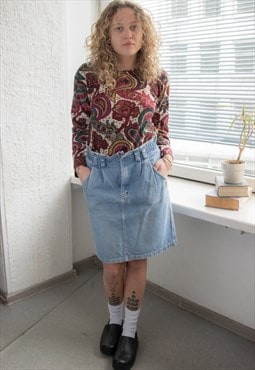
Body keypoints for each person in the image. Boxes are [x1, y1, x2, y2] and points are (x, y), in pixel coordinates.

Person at [71, 1, 177, 369]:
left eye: (134, 27)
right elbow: (79, 125)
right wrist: (82, 169)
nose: (127, 33)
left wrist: (165, 162)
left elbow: (163, 128)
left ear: (144, 32)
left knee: (137, 260)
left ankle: (130, 331)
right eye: (118, 27)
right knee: (112, 264)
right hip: (101, 175)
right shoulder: (87, 75)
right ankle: (113, 322)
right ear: (106, 34)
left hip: (145, 174)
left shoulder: (158, 76)